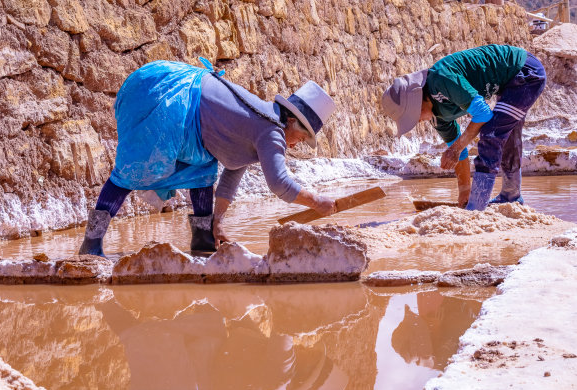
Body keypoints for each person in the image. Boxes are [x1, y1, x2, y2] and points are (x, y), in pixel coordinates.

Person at [79, 59, 337, 257]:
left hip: (191, 112)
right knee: (132, 171)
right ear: (291, 121)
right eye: (300, 138)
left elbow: (232, 173)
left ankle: (203, 239)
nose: (294, 145)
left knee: (201, 170)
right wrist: (316, 201)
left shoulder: (263, 122)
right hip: (173, 100)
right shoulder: (271, 131)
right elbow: (280, 184)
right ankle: (91, 243)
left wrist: (218, 221)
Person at [381, 44, 546, 210]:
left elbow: (483, 114)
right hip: (509, 83)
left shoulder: (441, 79)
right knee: (506, 134)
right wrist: (464, 192)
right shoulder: (437, 118)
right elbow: (459, 153)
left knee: (492, 132)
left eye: (412, 116)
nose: (416, 122)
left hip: (525, 71)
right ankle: (510, 195)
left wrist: (457, 148)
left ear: (416, 103)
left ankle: (480, 205)